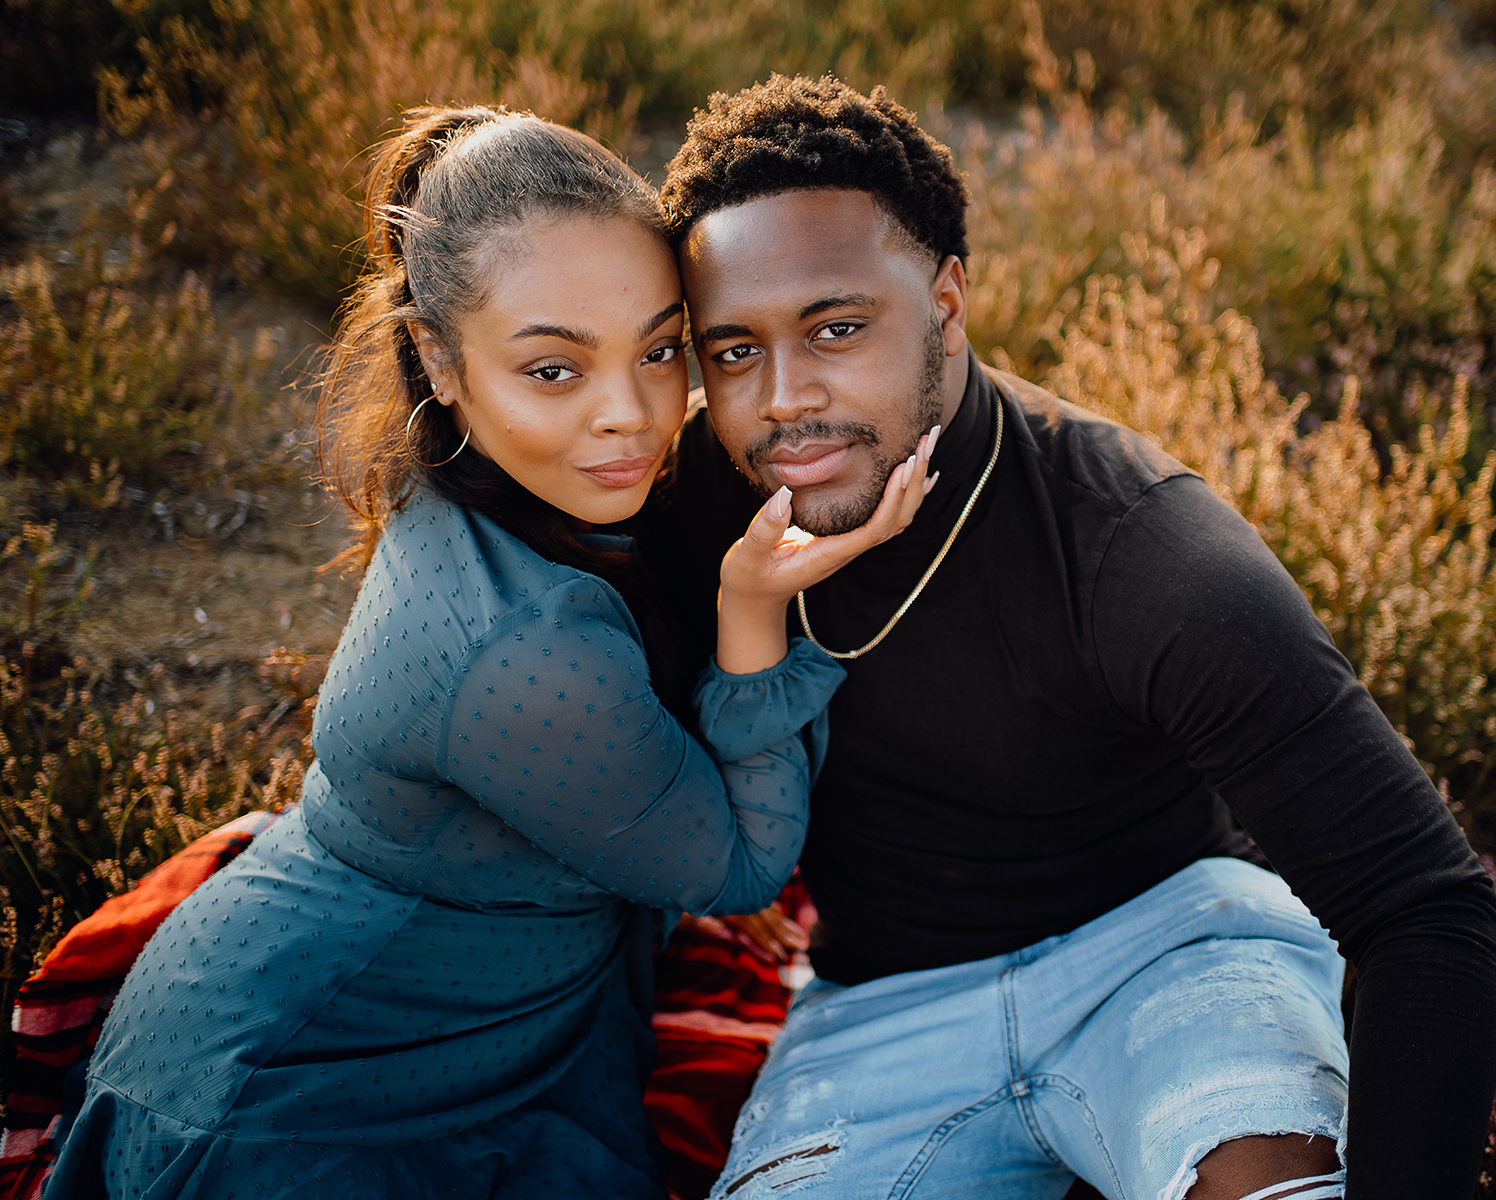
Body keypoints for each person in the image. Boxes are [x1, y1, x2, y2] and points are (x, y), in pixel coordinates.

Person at [43, 104, 937, 1200]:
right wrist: (750, 617)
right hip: (316, 1099)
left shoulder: (489, 470)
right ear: (438, 355)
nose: (634, 419)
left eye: (661, 350)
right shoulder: (526, 652)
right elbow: (741, 869)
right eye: (555, 371)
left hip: (440, 1005)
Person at [641, 76, 1496, 1200]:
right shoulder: (700, 499)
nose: (784, 399)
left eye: (837, 327)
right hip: (880, 1001)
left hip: (1168, 951)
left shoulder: (1138, 548)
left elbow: (1424, 907)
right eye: (734, 350)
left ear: (947, 303)